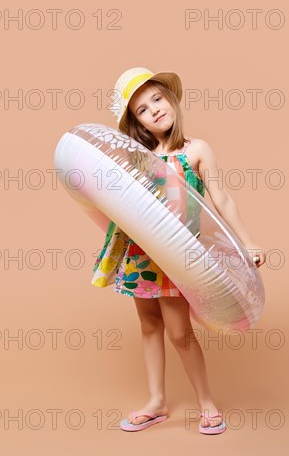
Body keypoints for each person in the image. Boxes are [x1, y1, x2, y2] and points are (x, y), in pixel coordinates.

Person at [91, 67, 266, 434]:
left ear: (170, 100)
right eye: (142, 109)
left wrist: (247, 241)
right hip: (141, 254)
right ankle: (156, 402)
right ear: (135, 121)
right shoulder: (137, 156)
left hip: (177, 254)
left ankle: (206, 402)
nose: (154, 110)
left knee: (178, 331)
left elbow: (221, 198)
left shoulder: (196, 150)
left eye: (157, 99)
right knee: (149, 325)